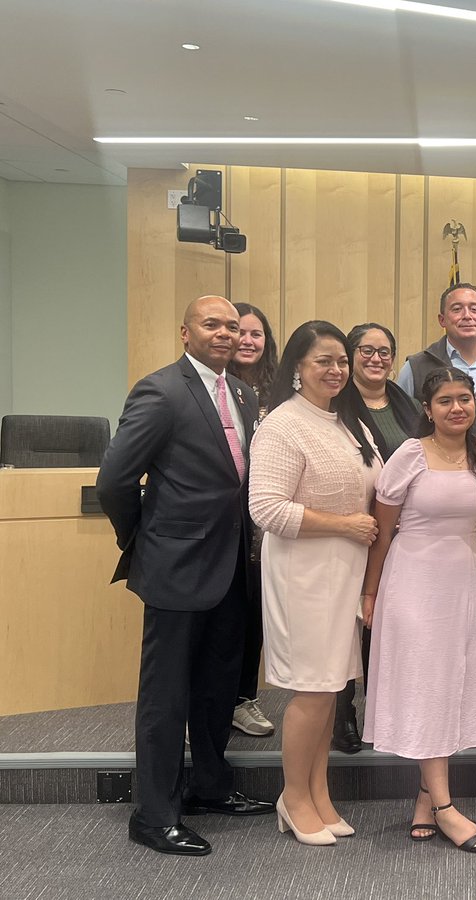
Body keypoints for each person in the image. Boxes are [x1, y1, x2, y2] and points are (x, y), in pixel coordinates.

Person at [96, 295, 273, 857]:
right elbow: (114, 480)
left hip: (232, 568)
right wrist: (143, 540)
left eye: (233, 326)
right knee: (166, 697)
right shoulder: (162, 391)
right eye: (212, 324)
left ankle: (211, 789)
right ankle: (153, 814)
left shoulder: (243, 392)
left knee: (218, 691)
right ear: (185, 331)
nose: (225, 333)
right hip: (175, 568)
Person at [249, 320, 382, 846]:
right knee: (311, 690)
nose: (336, 370)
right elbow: (266, 508)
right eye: (323, 361)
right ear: (298, 368)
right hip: (303, 574)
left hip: (343, 574)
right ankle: (293, 796)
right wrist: (345, 525)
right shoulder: (282, 424)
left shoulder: (348, 422)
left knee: (332, 690)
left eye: (341, 361)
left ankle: (319, 791)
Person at [360, 368, 476, 854]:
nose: (457, 408)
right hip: (414, 579)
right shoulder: (408, 455)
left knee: (452, 684)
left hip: (464, 578)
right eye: (445, 400)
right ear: (428, 407)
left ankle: (425, 797)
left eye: (465, 398)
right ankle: (445, 808)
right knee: (426, 686)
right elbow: (382, 532)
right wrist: (370, 592)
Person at [330, 322, 423, 755]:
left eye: (385, 352)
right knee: (350, 623)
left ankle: (384, 711)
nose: (376, 359)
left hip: (403, 534)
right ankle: (341, 709)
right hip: (352, 530)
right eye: (366, 351)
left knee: (386, 624)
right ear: (350, 356)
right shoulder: (335, 405)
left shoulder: (405, 404)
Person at [226, 301, 279, 739]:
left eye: (256, 333)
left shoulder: (280, 392)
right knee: (220, 616)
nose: (247, 340)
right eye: (239, 332)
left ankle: (243, 699)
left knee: (253, 616)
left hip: (266, 526)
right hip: (223, 522)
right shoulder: (211, 387)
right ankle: (207, 702)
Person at [396, 282, 476, 443]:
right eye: (457, 309)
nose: (467, 316)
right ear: (442, 320)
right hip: (433, 464)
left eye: (474, 309)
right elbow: (399, 422)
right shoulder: (415, 368)